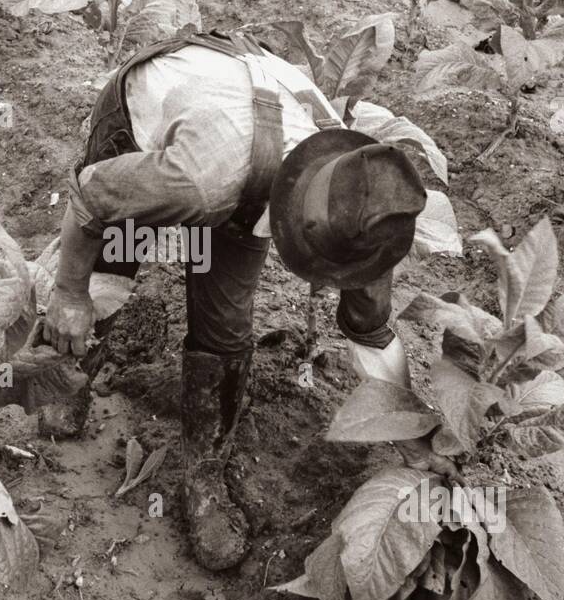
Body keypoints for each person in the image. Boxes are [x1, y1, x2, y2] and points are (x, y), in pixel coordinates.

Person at [42, 28, 436, 570]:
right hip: (158, 107)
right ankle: (69, 375)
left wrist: (416, 437)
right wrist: (68, 292)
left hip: (249, 138)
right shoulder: (199, 182)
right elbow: (90, 196)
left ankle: (203, 470)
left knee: (226, 323)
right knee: (114, 256)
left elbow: (371, 331)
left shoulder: (361, 205)